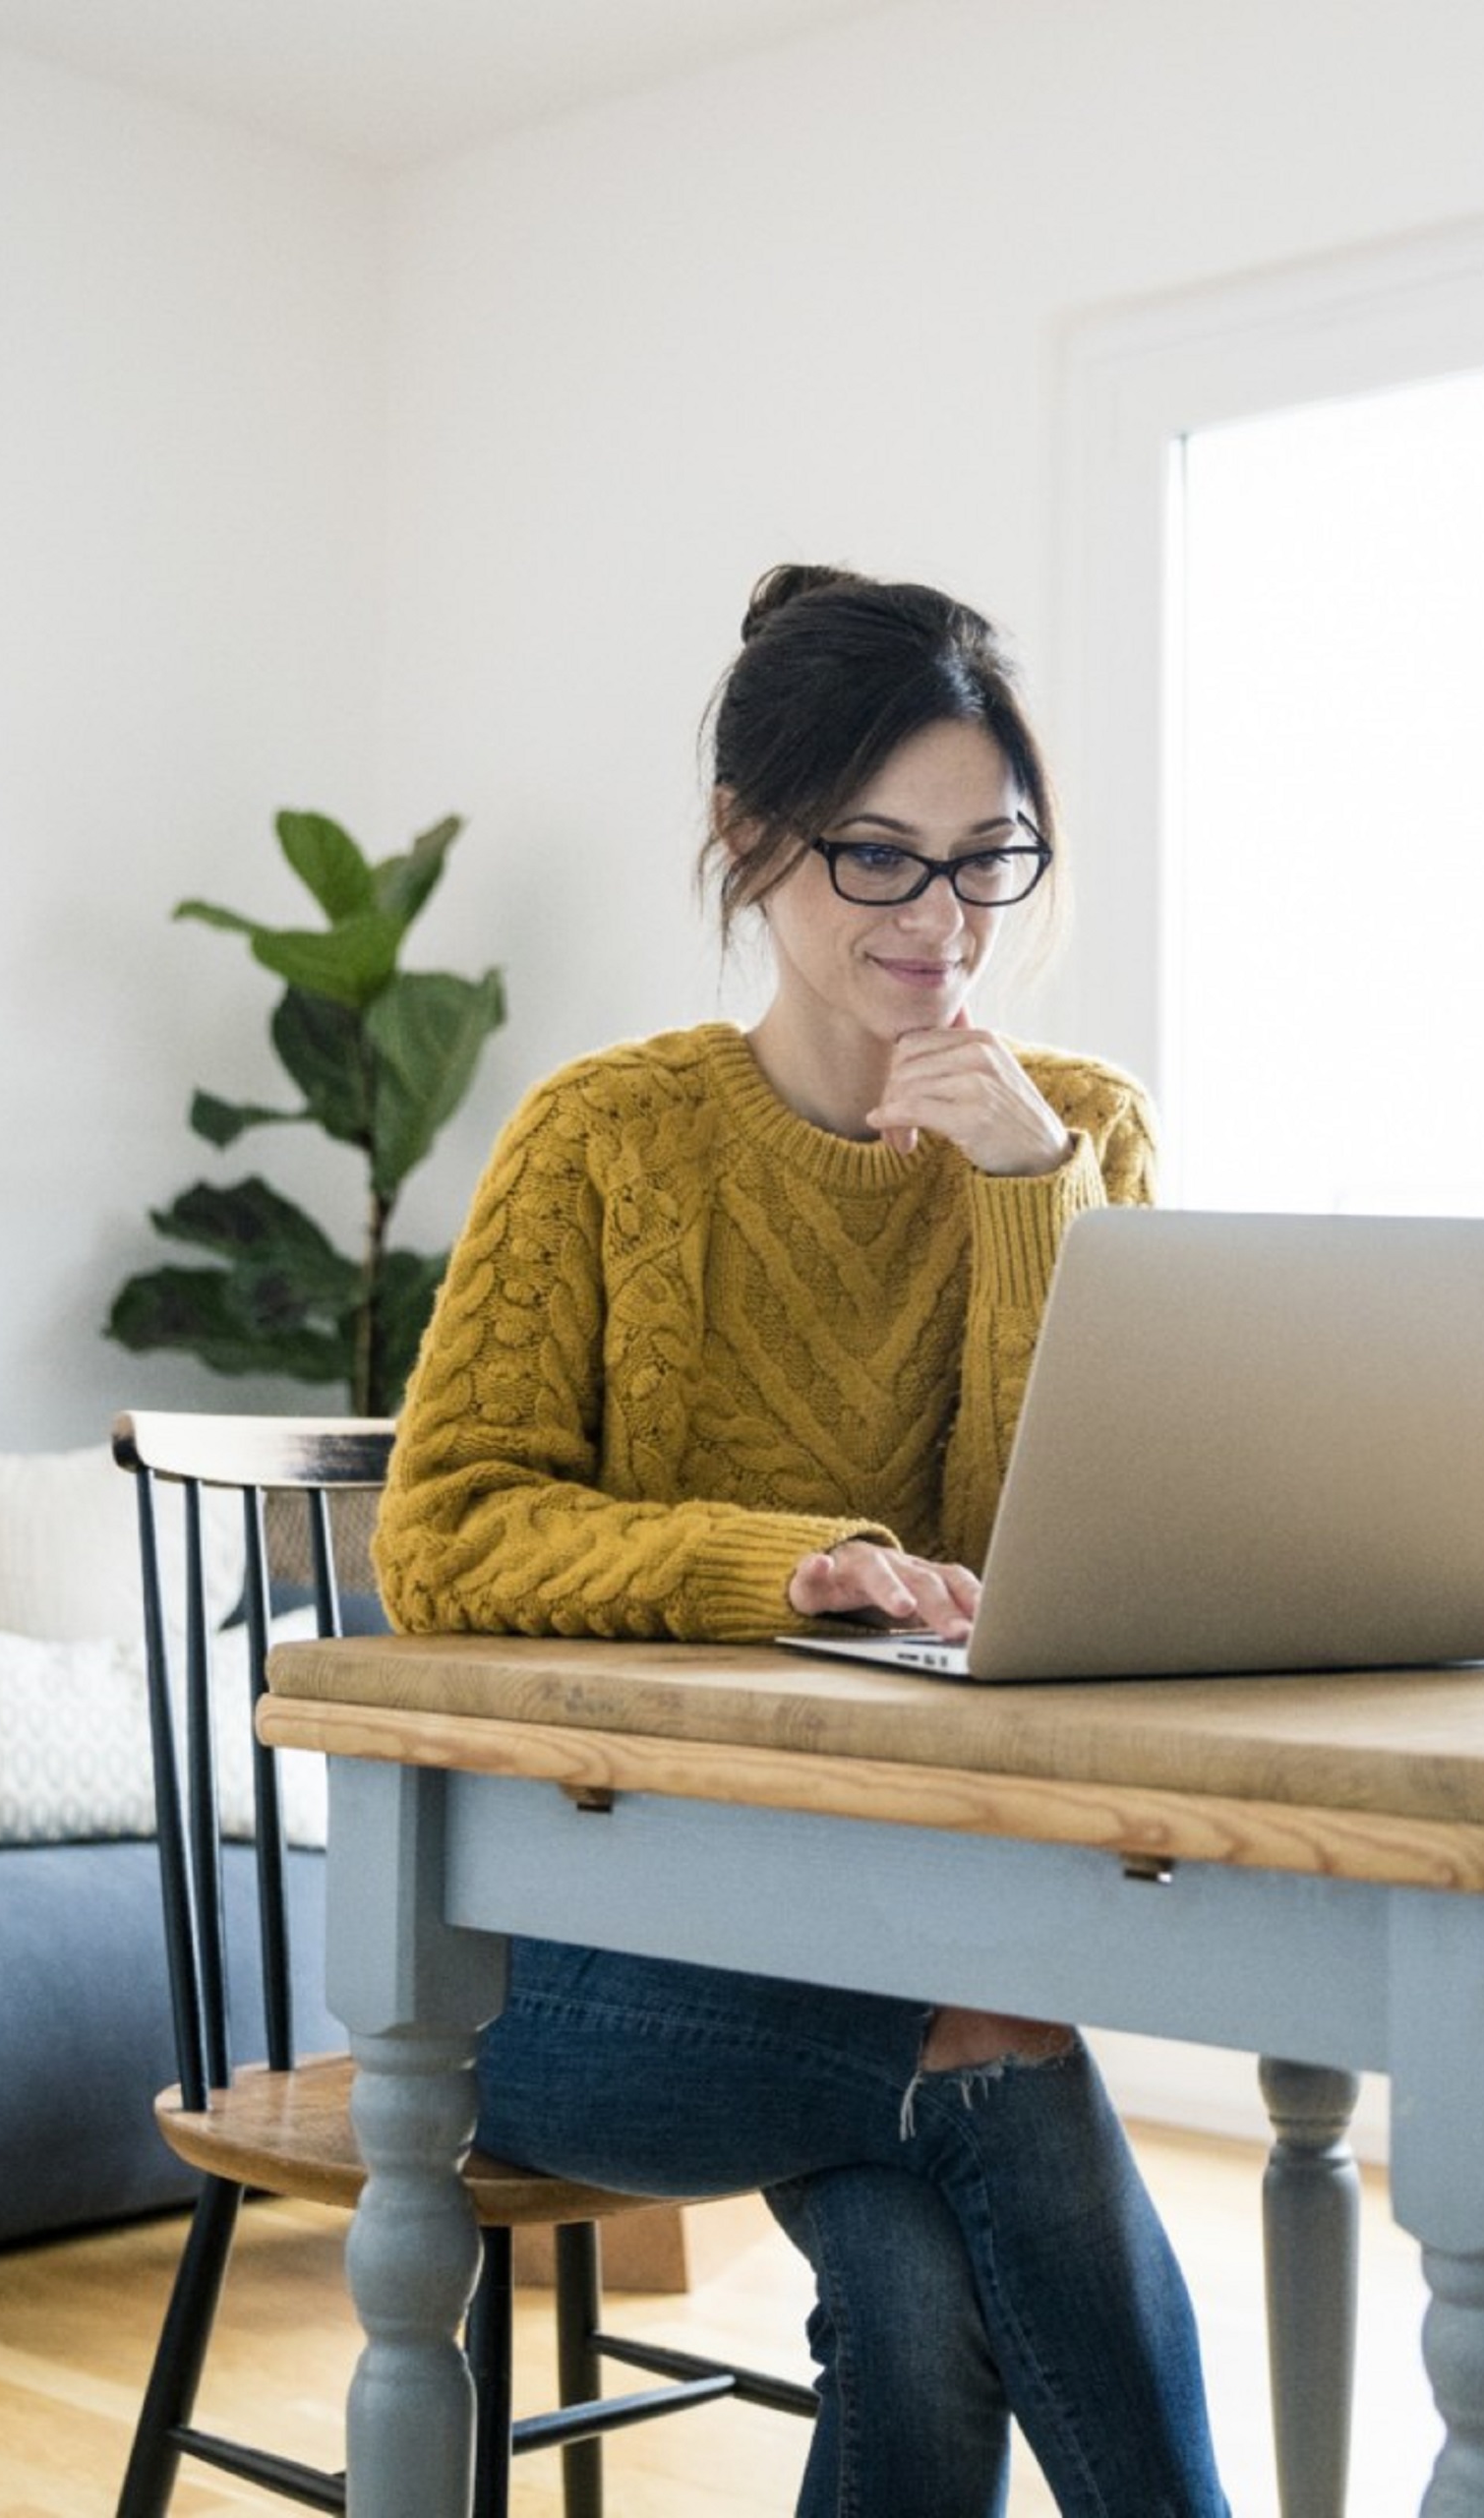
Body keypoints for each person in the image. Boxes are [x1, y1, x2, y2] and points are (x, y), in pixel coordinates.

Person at [374, 565, 1226, 2516]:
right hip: (579, 1958)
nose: (943, 923)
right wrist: (780, 1563)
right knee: (1006, 2042)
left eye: (985, 860)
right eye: (879, 859)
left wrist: (1026, 1197)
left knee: (924, 2299)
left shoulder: (1076, 1131)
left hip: (911, 1909)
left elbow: (1079, 1562)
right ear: (752, 847)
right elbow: (448, 1528)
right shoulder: (607, 1138)